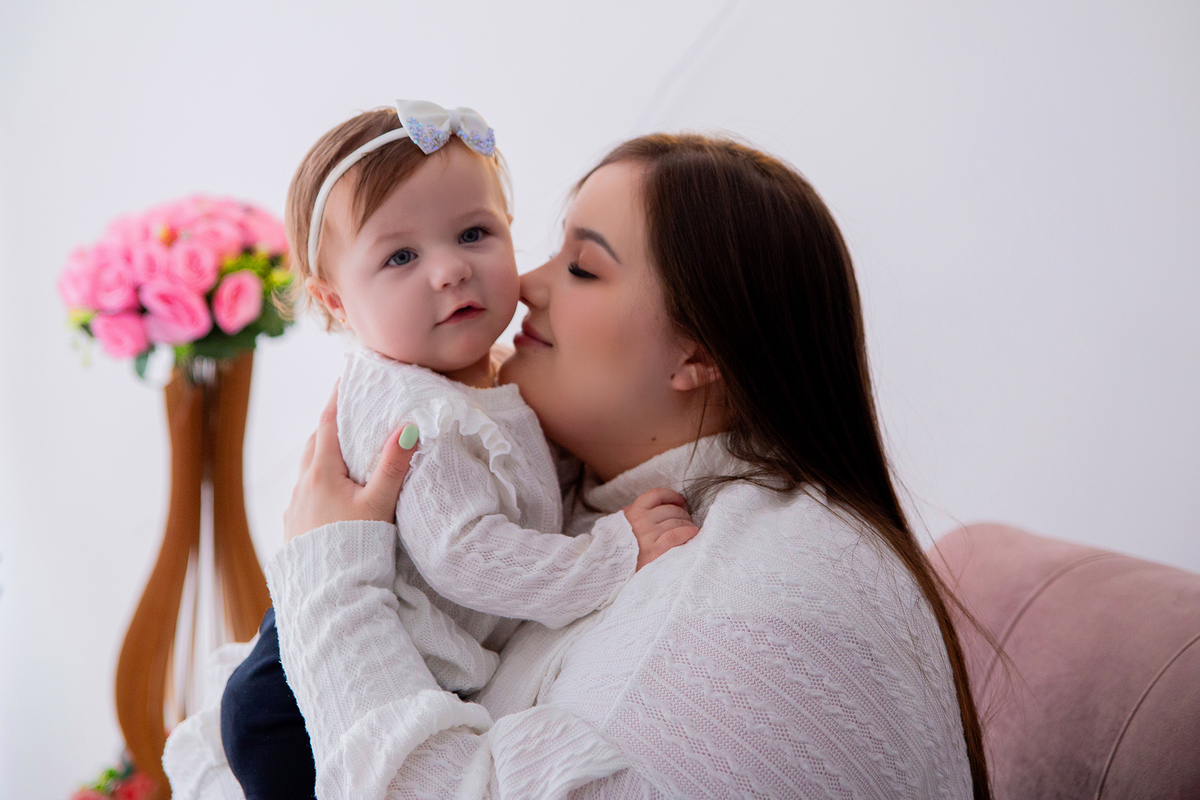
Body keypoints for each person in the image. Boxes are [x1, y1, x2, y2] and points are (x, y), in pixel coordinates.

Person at [167, 132, 992, 799]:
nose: (521, 283)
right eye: (400, 256)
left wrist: (328, 574)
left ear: (696, 356)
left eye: (582, 266)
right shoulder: (605, 499)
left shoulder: (728, 608)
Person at [193, 102, 699, 800]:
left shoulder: (487, 373)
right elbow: (466, 553)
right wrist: (610, 554)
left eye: (473, 233)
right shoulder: (417, 411)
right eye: (401, 256)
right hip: (297, 705)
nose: (450, 270)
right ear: (336, 304)